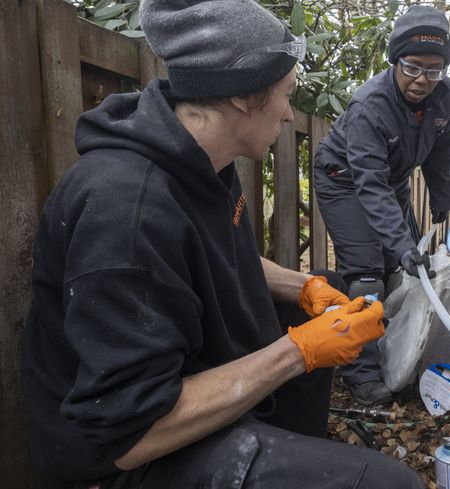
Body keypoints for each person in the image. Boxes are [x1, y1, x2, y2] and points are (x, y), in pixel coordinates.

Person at [20, 0, 424, 488]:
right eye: (285, 93)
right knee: (390, 484)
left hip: (181, 377)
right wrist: (298, 352)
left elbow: (206, 253)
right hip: (124, 457)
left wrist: (306, 287)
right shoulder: (125, 215)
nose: (285, 113)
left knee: (323, 299)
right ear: (240, 96)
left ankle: (281, 448)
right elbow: (128, 430)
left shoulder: (201, 162)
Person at [312, 5, 450, 406]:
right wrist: (401, 243)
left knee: (401, 267)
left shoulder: (445, 100)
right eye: (412, 66)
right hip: (344, 180)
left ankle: (392, 345)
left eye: (433, 70)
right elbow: (369, 186)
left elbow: (438, 154)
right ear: (395, 60)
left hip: (388, 180)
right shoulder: (370, 107)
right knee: (365, 273)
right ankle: (360, 371)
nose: (421, 80)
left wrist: (442, 201)